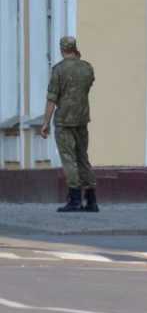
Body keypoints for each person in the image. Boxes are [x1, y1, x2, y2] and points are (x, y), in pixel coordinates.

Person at [40, 36, 98, 213]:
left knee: (69, 160)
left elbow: (52, 99)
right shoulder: (87, 67)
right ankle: (91, 200)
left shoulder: (58, 70)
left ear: (61, 49)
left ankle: (74, 200)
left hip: (64, 121)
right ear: (75, 48)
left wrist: (45, 123)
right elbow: (87, 87)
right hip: (82, 119)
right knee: (83, 158)